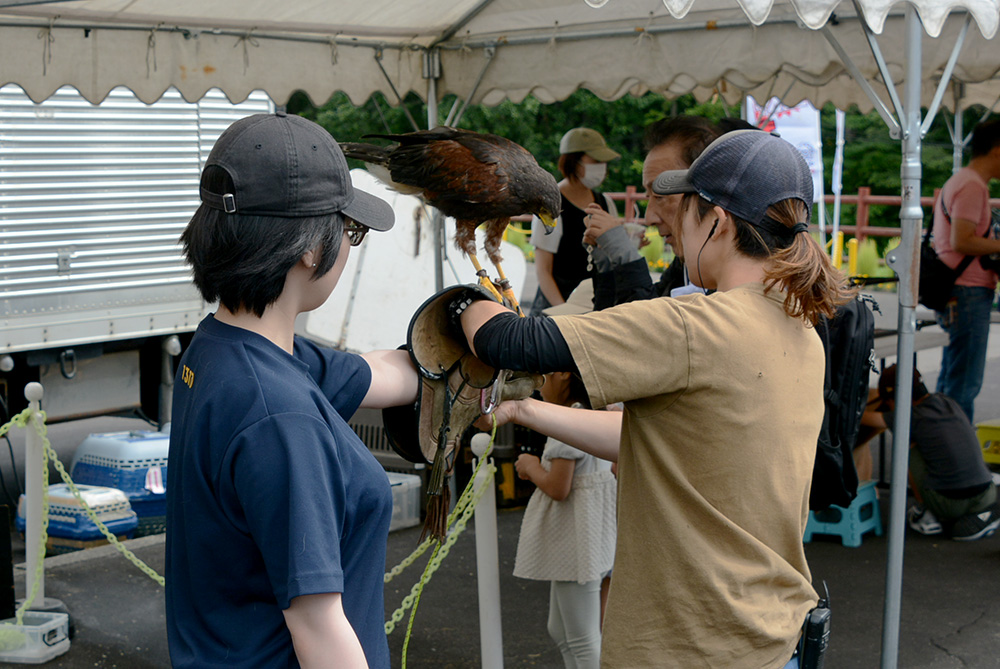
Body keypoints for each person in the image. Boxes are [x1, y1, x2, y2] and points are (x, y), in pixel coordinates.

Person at [457, 130, 854, 667]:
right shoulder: (799, 326)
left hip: (690, 646)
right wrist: (526, 409)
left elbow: (509, 340)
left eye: (681, 208)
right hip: (770, 637)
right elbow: (672, 442)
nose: (668, 223)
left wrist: (464, 301)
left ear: (716, 221)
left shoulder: (696, 326)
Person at [165, 112, 420, 668]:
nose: (349, 248)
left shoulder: (219, 352)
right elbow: (320, 630)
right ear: (310, 247)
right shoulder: (279, 415)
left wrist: (470, 333)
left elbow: (381, 372)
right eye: (349, 231)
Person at [582, 117, 757, 309]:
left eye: (660, 196)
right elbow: (614, 322)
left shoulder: (745, 287)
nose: (649, 218)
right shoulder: (684, 263)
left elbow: (645, 330)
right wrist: (609, 261)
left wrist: (625, 255)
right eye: (648, 197)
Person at [512, 369, 616, 669]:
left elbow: (559, 487)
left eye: (543, 377)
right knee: (563, 630)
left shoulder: (569, 421)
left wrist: (530, 466)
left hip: (576, 542)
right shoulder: (599, 413)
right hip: (595, 535)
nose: (538, 386)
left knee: (583, 639)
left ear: (563, 376)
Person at [861, 364, 1000, 540]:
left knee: (907, 446)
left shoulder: (911, 415)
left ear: (896, 397)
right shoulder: (946, 401)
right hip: (986, 492)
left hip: (950, 503)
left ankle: (924, 512)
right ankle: (983, 515)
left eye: (888, 403)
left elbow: (865, 418)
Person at [931, 119, 1000, 421]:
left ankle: (938, 450)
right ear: (997, 150)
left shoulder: (960, 180)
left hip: (956, 290)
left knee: (952, 377)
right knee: (964, 384)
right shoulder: (973, 186)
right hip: (968, 291)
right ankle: (955, 458)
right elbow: (963, 240)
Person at [530, 127, 621, 312]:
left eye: (603, 161)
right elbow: (543, 271)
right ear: (574, 161)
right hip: (556, 308)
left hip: (595, 307)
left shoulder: (606, 202)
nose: (602, 167)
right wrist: (565, 312)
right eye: (596, 160)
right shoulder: (550, 206)